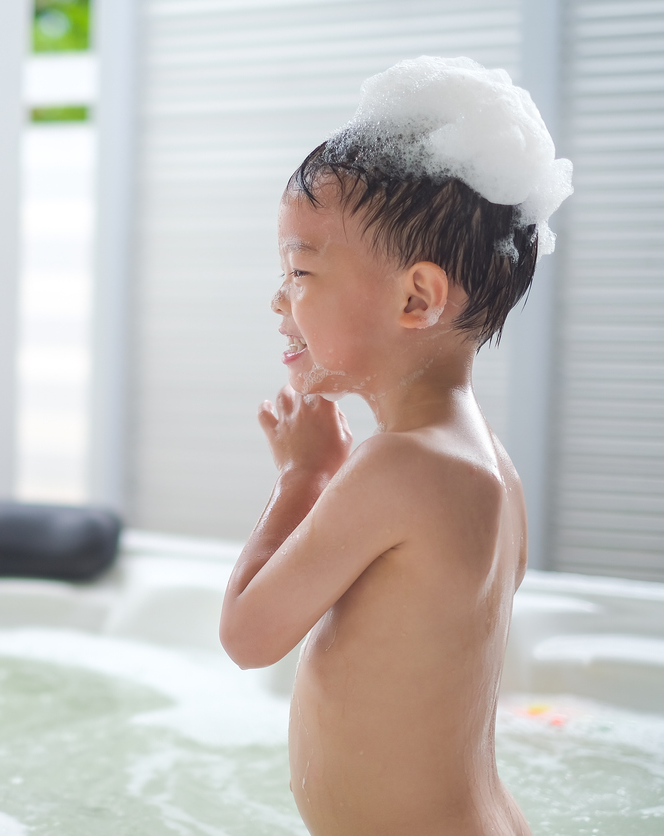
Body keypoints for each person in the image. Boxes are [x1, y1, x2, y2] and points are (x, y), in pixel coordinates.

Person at [219, 57, 572, 836]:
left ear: (417, 297)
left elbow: (248, 636)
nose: (279, 298)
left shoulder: (396, 467)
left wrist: (303, 477)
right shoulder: (488, 467)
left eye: (301, 269)